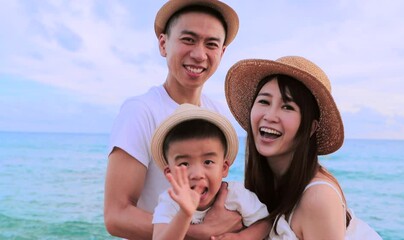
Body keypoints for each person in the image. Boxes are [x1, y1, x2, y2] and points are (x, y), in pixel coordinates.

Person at [104, 1, 242, 239]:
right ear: (163, 43)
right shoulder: (141, 111)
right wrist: (200, 232)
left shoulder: (218, 115)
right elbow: (116, 216)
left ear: (222, 52)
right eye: (188, 40)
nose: (199, 55)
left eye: (211, 44)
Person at [223, 56, 382, 239]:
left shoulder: (318, 197)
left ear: (311, 128)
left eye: (287, 107)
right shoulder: (264, 186)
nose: (270, 115)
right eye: (264, 102)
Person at [150, 104, 270, 240]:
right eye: (184, 164)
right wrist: (184, 214)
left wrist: (243, 237)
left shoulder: (236, 195)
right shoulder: (170, 202)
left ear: (224, 168)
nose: (197, 174)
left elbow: (265, 223)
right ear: (169, 173)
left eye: (207, 162)